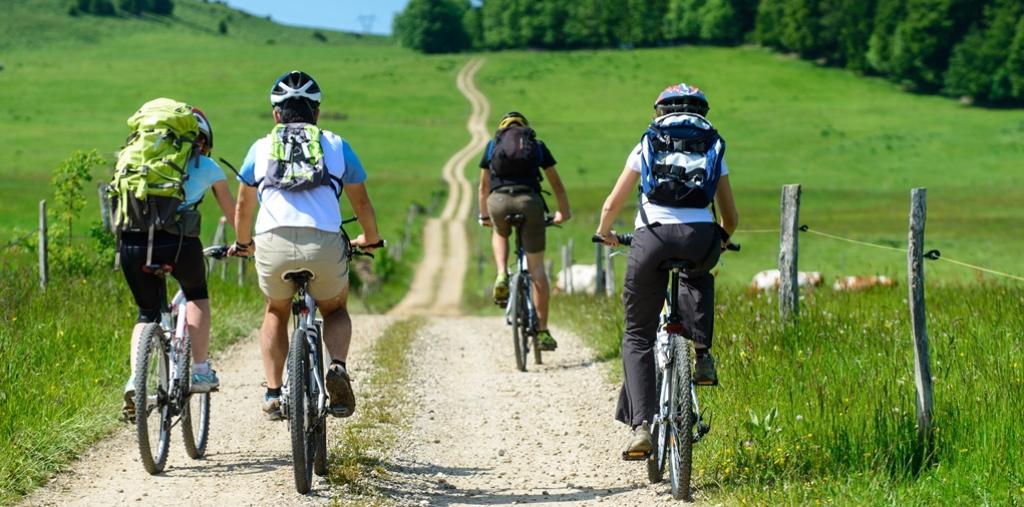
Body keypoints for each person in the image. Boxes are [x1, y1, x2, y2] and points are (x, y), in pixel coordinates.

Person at [229, 70, 383, 421]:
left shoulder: (260, 146)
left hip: (273, 240)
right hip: (324, 241)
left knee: (275, 310)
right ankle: (338, 368)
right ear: (316, 113)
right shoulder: (336, 144)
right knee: (335, 309)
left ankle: (272, 392)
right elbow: (362, 205)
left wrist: (243, 243)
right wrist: (370, 240)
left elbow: (242, 206)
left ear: (276, 114)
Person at [594, 83, 739, 456]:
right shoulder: (711, 146)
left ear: (659, 111)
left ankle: (641, 426)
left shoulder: (646, 143)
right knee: (698, 273)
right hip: (699, 237)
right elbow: (731, 217)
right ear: (701, 112)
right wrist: (719, 240)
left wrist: (605, 232)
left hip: (652, 238)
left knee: (638, 334)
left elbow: (613, 202)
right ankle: (702, 354)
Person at [122, 106, 237, 417]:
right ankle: (200, 369)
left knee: (146, 313)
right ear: (203, 140)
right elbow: (232, 212)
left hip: (132, 243)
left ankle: (136, 379)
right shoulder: (207, 166)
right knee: (197, 293)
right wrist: (244, 243)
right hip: (178, 245)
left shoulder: (136, 158)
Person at [477, 111, 571, 351]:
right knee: (537, 269)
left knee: (499, 231)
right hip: (530, 203)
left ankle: (501, 274)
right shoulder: (537, 146)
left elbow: (483, 187)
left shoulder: (492, 146)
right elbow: (557, 184)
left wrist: (485, 216)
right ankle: (542, 332)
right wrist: (563, 212)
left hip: (498, 202)